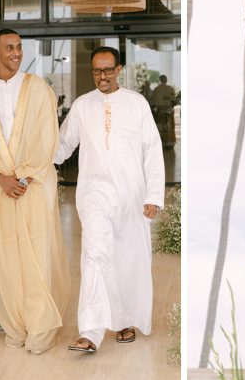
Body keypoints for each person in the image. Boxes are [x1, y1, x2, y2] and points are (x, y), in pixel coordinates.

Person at [0, 29, 70, 354]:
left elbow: (46, 137)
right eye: (9, 48)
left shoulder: (39, 89)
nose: (16, 53)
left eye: (19, 48)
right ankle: (16, 325)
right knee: (6, 257)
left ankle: (40, 327)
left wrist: (21, 176)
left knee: (37, 255)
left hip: (33, 187)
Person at [54, 47, 164, 355]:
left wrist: (154, 194)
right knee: (94, 255)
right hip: (94, 193)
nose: (102, 76)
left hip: (132, 195)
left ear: (119, 70)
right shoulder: (82, 105)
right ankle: (90, 330)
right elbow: (61, 146)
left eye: (108, 70)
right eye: (97, 71)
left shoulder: (136, 103)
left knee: (128, 259)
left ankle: (125, 320)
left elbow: (153, 149)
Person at [151, 74, 175, 144]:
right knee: (168, 126)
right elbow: (173, 99)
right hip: (168, 109)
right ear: (166, 80)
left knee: (160, 126)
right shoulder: (170, 88)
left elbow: (153, 100)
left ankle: (161, 142)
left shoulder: (156, 89)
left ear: (160, 80)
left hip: (159, 110)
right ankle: (168, 141)